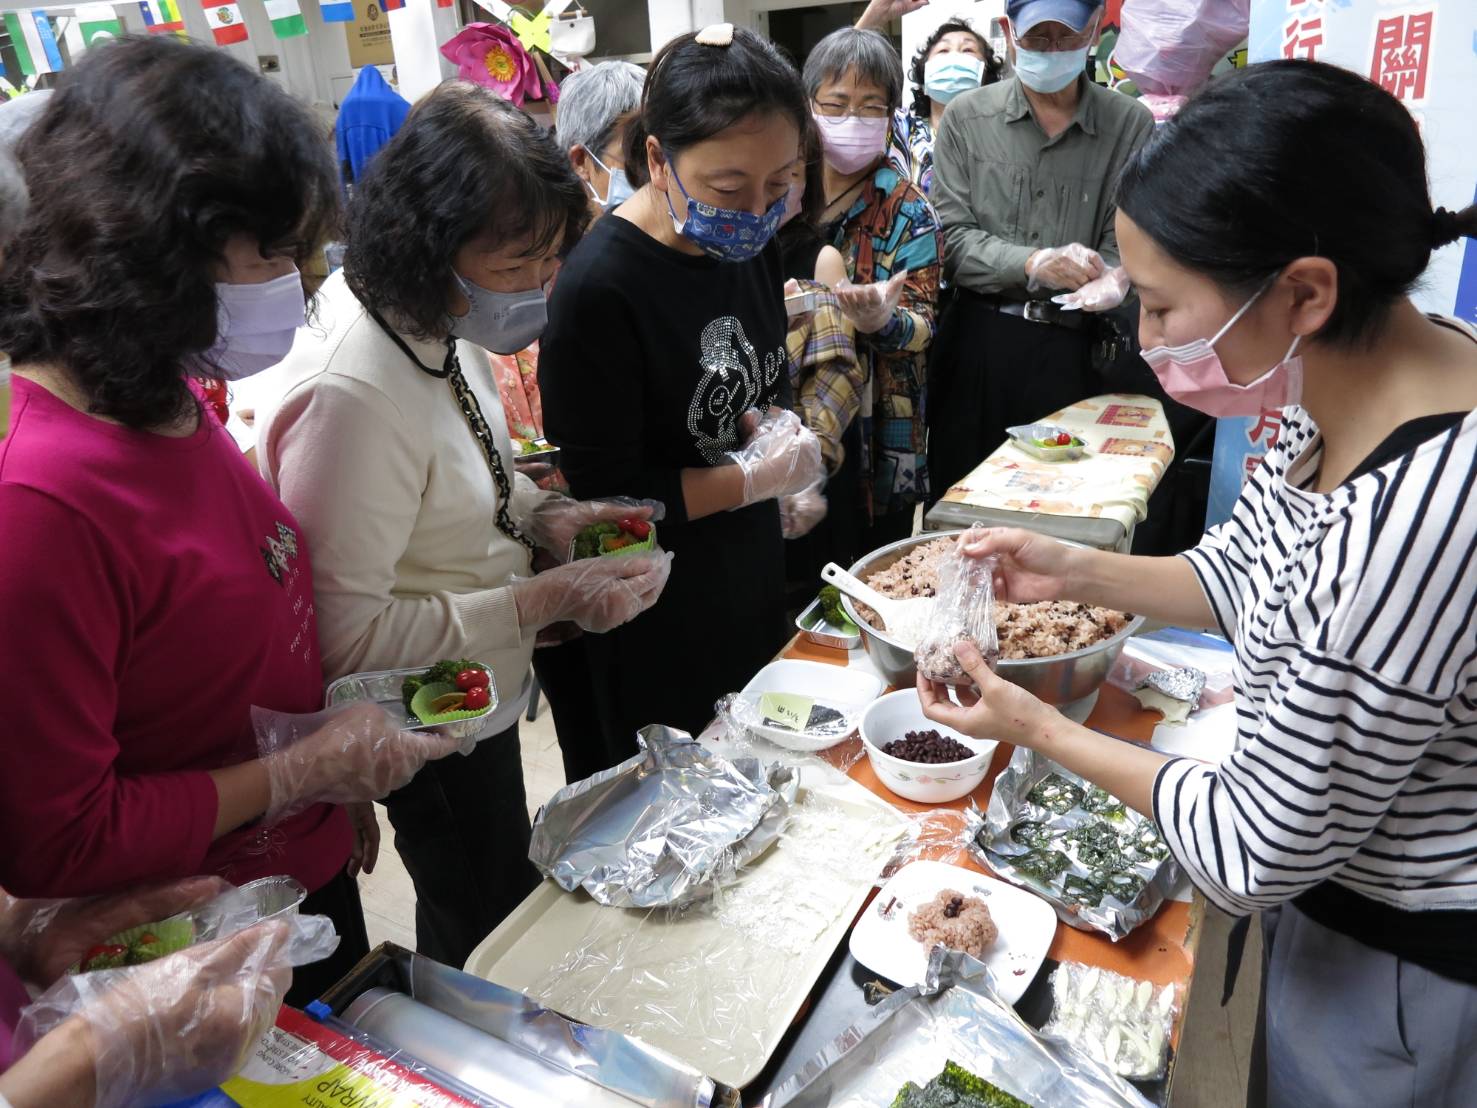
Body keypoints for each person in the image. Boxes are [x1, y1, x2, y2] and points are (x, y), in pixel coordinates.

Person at [921, 60, 1477, 1105]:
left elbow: (1246, 848)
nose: (1146, 341)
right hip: (1332, 877)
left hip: (1407, 965)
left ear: (1305, 290)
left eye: (1167, 308)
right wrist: (1072, 566)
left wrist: (1030, 726)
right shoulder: (1365, 378)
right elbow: (1242, 570)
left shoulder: (1412, 525)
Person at [0, 36, 456, 1007]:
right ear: (153, 246)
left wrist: (324, 785)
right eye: (276, 250)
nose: (296, 276)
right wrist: (296, 773)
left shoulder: (164, 392)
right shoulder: (39, 502)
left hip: (293, 870)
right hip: (189, 941)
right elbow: (60, 834)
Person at [259, 81, 673, 970]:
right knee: (477, 904)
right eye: (513, 263)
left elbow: (473, 480)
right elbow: (342, 637)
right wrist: (533, 602)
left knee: (497, 874)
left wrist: (551, 516)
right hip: (414, 707)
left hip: (473, 687)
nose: (536, 287)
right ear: (427, 241)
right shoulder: (353, 392)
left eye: (547, 260)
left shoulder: (438, 324)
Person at [539, 24, 825, 756]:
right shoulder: (600, 288)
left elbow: (768, 382)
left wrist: (778, 447)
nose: (756, 209)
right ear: (658, 158)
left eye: (779, 182)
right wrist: (752, 478)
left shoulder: (749, 240)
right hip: (657, 610)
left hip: (751, 574)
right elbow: (610, 495)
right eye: (728, 186)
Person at [926, 0, 1153, 495]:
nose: (1052, 50)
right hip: (980, 344)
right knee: (966, 503)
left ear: (1094, 30)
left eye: (1066, 37)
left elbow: (1132, 240)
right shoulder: (969, 118)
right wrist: (1032, 263)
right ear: (1010, 32)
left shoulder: (1129, 124)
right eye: (1037, 38)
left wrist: (1115, 276)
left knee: (1059, 505)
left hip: (1076, 349)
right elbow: (953, 242)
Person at [804, 26, 943, 554]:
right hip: (788, 418)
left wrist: (880, 320)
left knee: (866, 574)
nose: (852, 121)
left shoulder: (910, 209)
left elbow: (925, 324)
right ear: (809, 105)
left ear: (891, 117)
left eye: (870, 107)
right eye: (836, 104)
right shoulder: (781, 192)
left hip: (879, 427)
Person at [856, 7, 1004, 196]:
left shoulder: (1001, 136)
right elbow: (842, 77)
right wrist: (872, 20)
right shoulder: (898, 127)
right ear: (924, 73)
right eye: (943, 50)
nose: (954, 57)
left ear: (986, 74)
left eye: (967, 50)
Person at [556, 60, 647, 222]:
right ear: (581, 161)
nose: (655, 171)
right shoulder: (556, 243)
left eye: (659, 153)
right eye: (637, 155)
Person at [335, 64, 410, 189]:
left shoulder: (348, 104)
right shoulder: (391, 101)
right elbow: (411, 118)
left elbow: (340, 136)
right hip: (389, 166)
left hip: (358, 166)